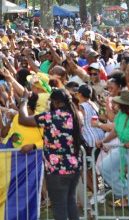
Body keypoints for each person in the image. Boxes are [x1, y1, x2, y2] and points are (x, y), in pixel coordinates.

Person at [18, 88, 83, 220]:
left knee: (59, 207)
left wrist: (24, 100)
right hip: (74, 167)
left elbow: (23, 119)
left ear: (56, 102)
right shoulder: (76, 116)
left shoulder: (50, 117)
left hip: (56, 170)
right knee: (70, 202)